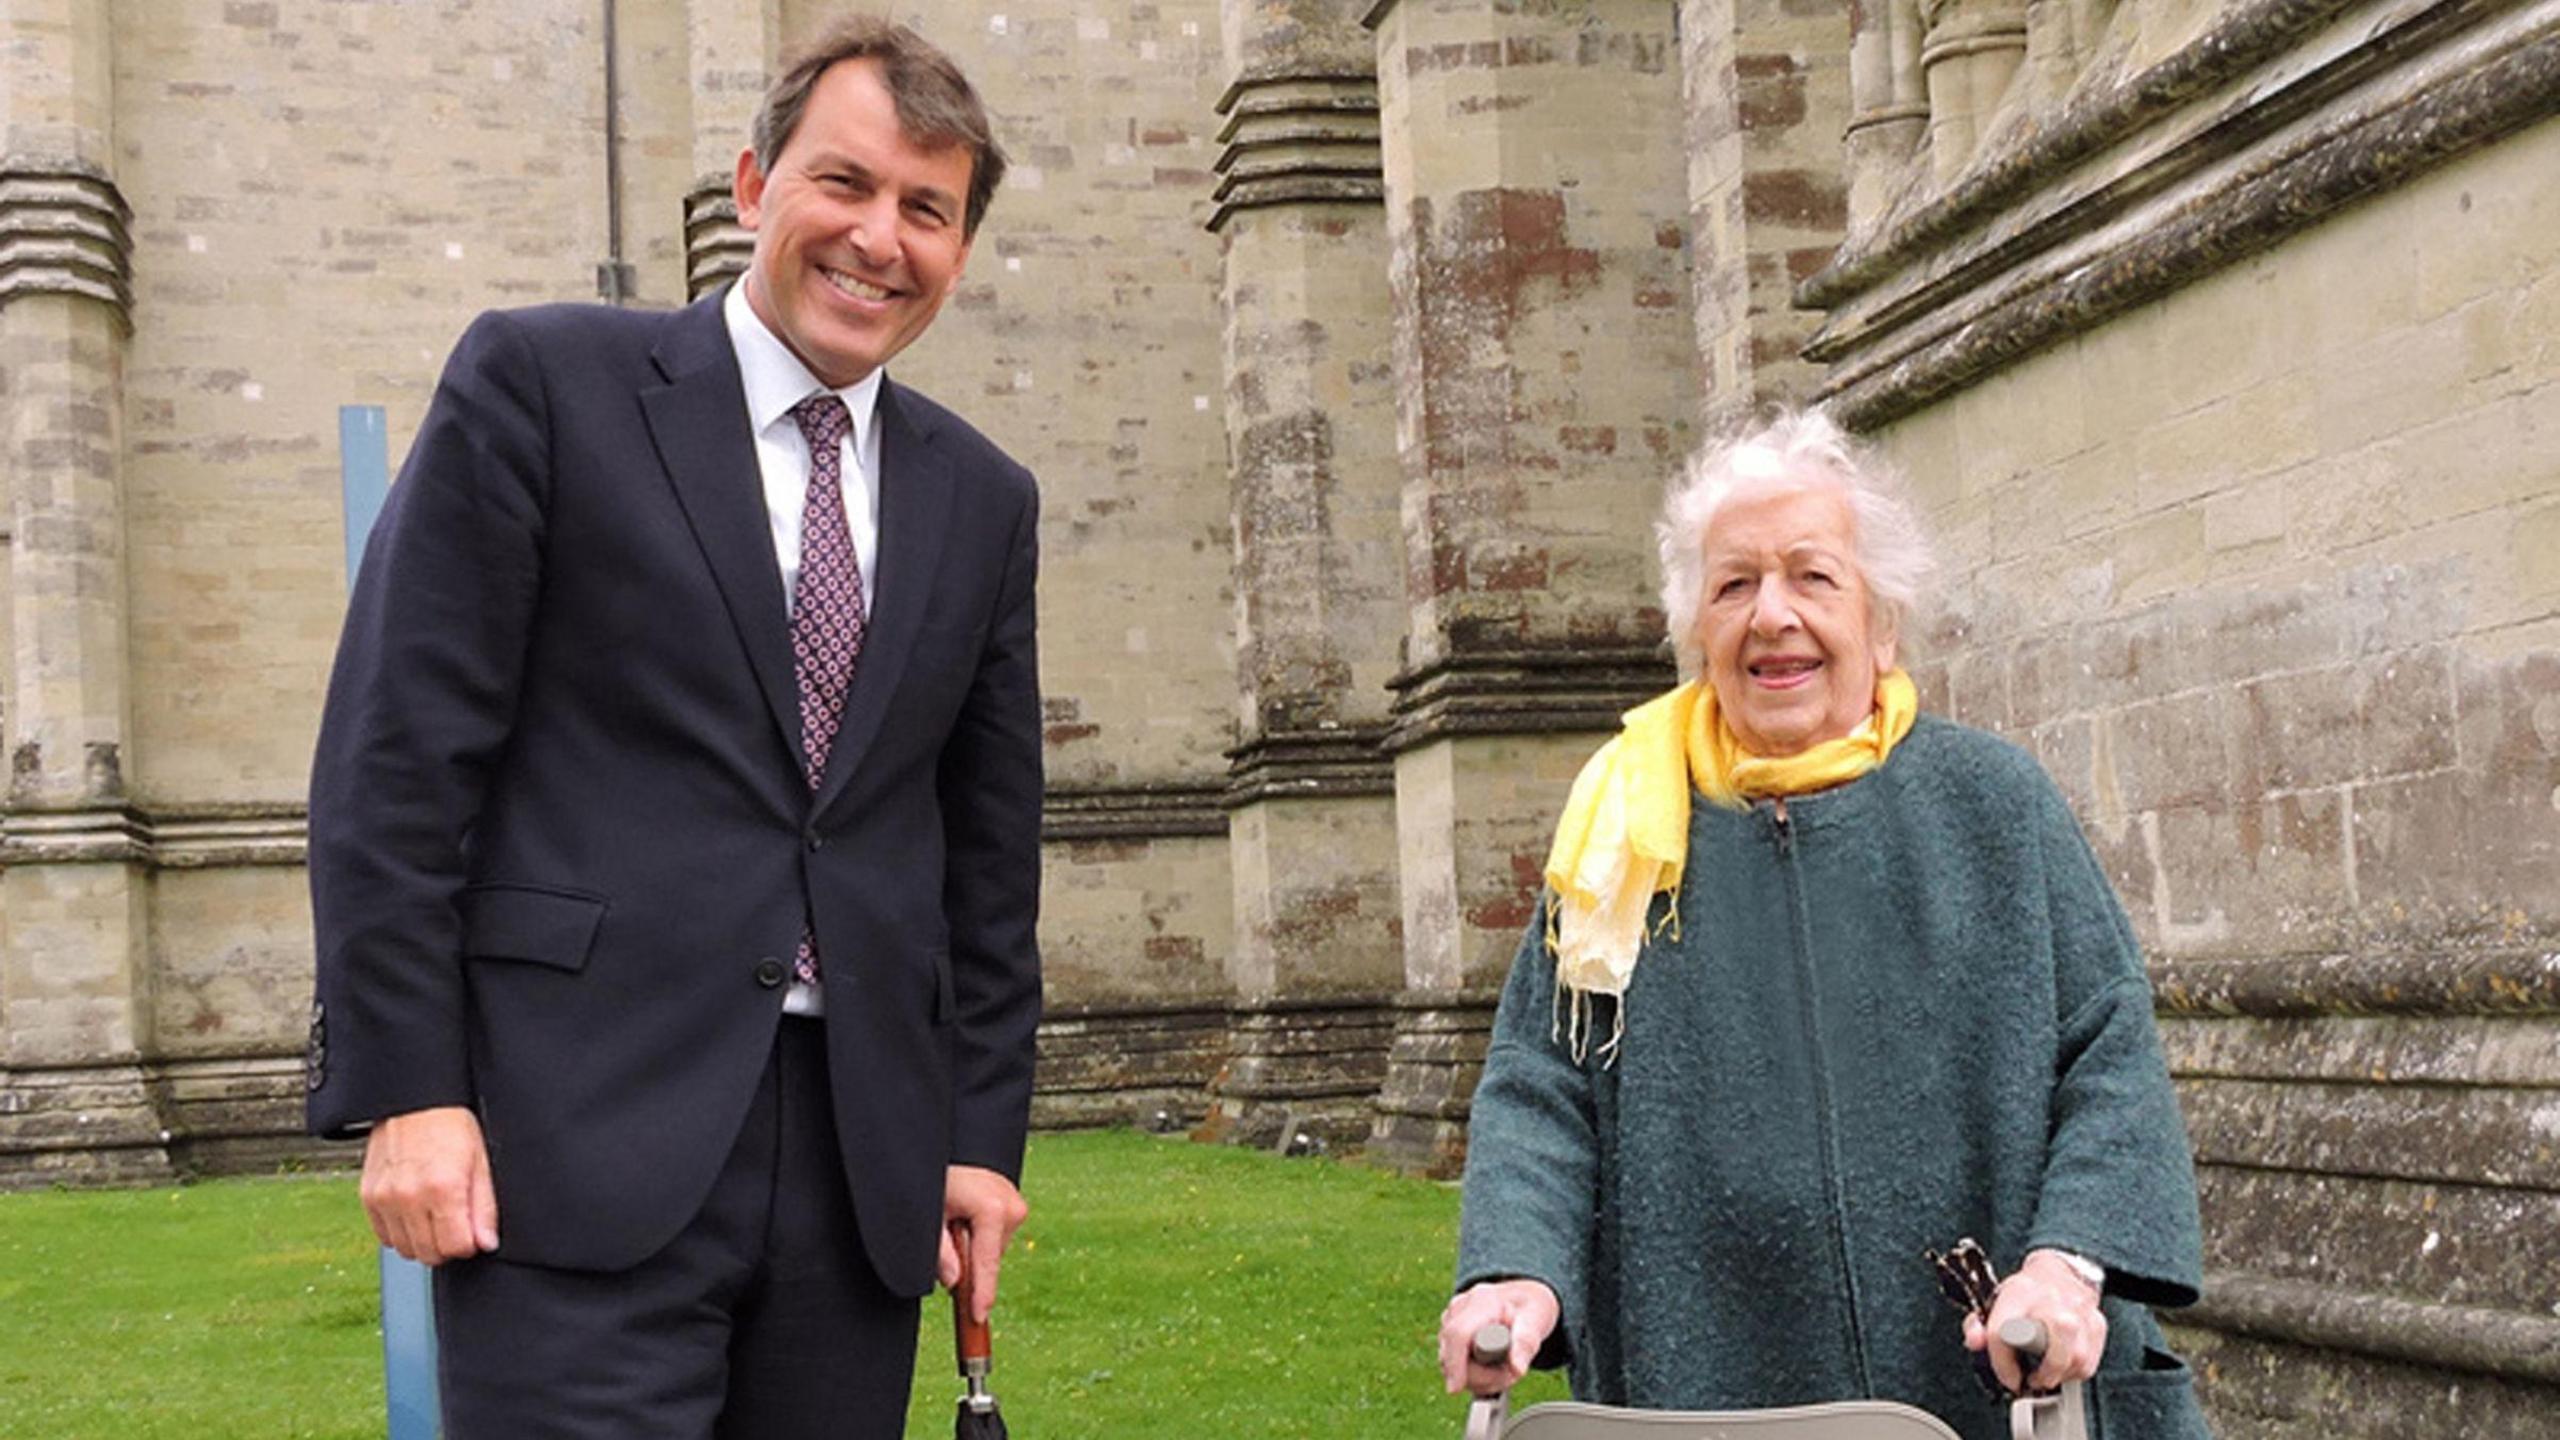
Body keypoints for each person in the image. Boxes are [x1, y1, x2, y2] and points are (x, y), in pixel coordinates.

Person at [304, 18, 1041, 1439]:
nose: (880, 238)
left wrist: (975, 1138)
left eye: (926, 211)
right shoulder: (542, 385)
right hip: (570, 1145)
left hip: (859, 1172)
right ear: (754, 184)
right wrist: (409, 1089)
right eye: (847, 184)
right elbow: (397, 763)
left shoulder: (983, 498)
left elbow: (987, 858)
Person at [1436, 410, 2212, 1439]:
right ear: (1694, 631)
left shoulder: (1992, 805)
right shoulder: (1615, 834)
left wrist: (2064, 1266)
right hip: (1706, 1387)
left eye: (1812, 576)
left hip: (2001, 1388)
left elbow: (2108, 1059)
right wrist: (1513, 1271)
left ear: (1879, 622)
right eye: (1733, 585)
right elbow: (1541, 1090)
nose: (1772, 617)